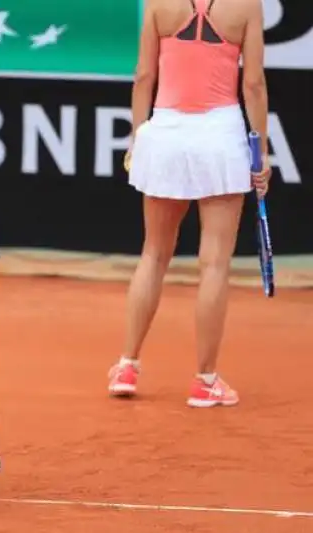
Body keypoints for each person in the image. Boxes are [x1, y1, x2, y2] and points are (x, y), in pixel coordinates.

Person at [108, 0, 271, 407]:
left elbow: (144, 75)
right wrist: (261, 152)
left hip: (164, 134)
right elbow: (253, 84)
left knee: (154, 254)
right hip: (220, 137)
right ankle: (205, 380)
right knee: (214, 262)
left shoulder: (159, 3)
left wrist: (136, 138)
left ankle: (127, 365)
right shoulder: (247, 6)